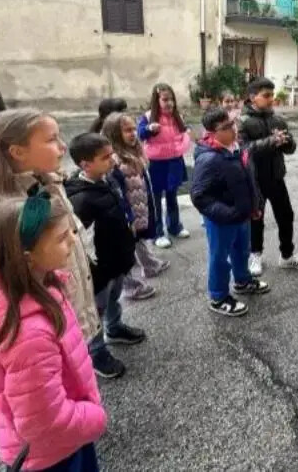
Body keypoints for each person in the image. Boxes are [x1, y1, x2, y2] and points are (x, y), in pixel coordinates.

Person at [0, 195, 106, 471]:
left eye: (71, 231)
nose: (73, 240)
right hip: (52, 453)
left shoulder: (32, 286)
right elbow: (46, 422)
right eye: (62, 237)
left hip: (58, 440)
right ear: (27, 258)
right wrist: (93, 418)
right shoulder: (28, 335)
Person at [66, 133, 147, 378]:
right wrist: (95, 271)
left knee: (114, 297)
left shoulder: (108, 179)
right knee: (95, 311)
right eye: (105, 157)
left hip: (117, 258)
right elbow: (83, 243)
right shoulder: (80, 199)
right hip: (99, 270)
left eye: (111, 154)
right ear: (85, 164)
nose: (112, 160)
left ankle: (115, 327)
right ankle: (96, 352)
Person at [191, 108, 270, 317]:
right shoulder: (209, 159)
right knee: (220, 257)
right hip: (222, 219)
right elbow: (199, 196)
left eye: (232, 124)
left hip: (242, 215)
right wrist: (228, 213)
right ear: (212, 133)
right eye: (225, 127)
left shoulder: (236, 148)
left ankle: (242, 281)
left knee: (242, 250)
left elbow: (248, 179)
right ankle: (218, 297)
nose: (233, 129)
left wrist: (254, 205)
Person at [237, 78, 298, 276]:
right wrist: (271, 141)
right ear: (253, 97)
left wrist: (286, 141)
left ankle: (287, 256)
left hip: (277, 177)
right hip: (255, 180)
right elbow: (243, 151)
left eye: (272, 95)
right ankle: (255, 255)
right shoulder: (242, 121)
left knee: (286, 216)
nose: (271, 99)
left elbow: (291, 148)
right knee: (256, 219)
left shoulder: (277, 119)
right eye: (266, 95)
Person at [101, 112, 170, 298]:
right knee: (125, 249)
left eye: (133, 129)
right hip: (126, 212)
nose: (133, 133)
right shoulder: (113, 160)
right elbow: (116, 191)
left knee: (139, 239)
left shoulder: (134, 150)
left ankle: (150, 265)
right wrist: (127, 216)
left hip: (140, 205)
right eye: (127, 130)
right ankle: (131, 287)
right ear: (115, 134)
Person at [137, 83, 193, 249]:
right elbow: (140, 134)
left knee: (172, 196)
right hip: (156, 164)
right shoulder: (148, 117)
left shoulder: (177, 116)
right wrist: (149, 128)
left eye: (171, 99)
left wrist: (188, 132)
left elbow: (183, 132)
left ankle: (175, 227)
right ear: (157, 100)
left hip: (174, 161)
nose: (169, 103)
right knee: (155, 200)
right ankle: (157, 233)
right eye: (165, 99)